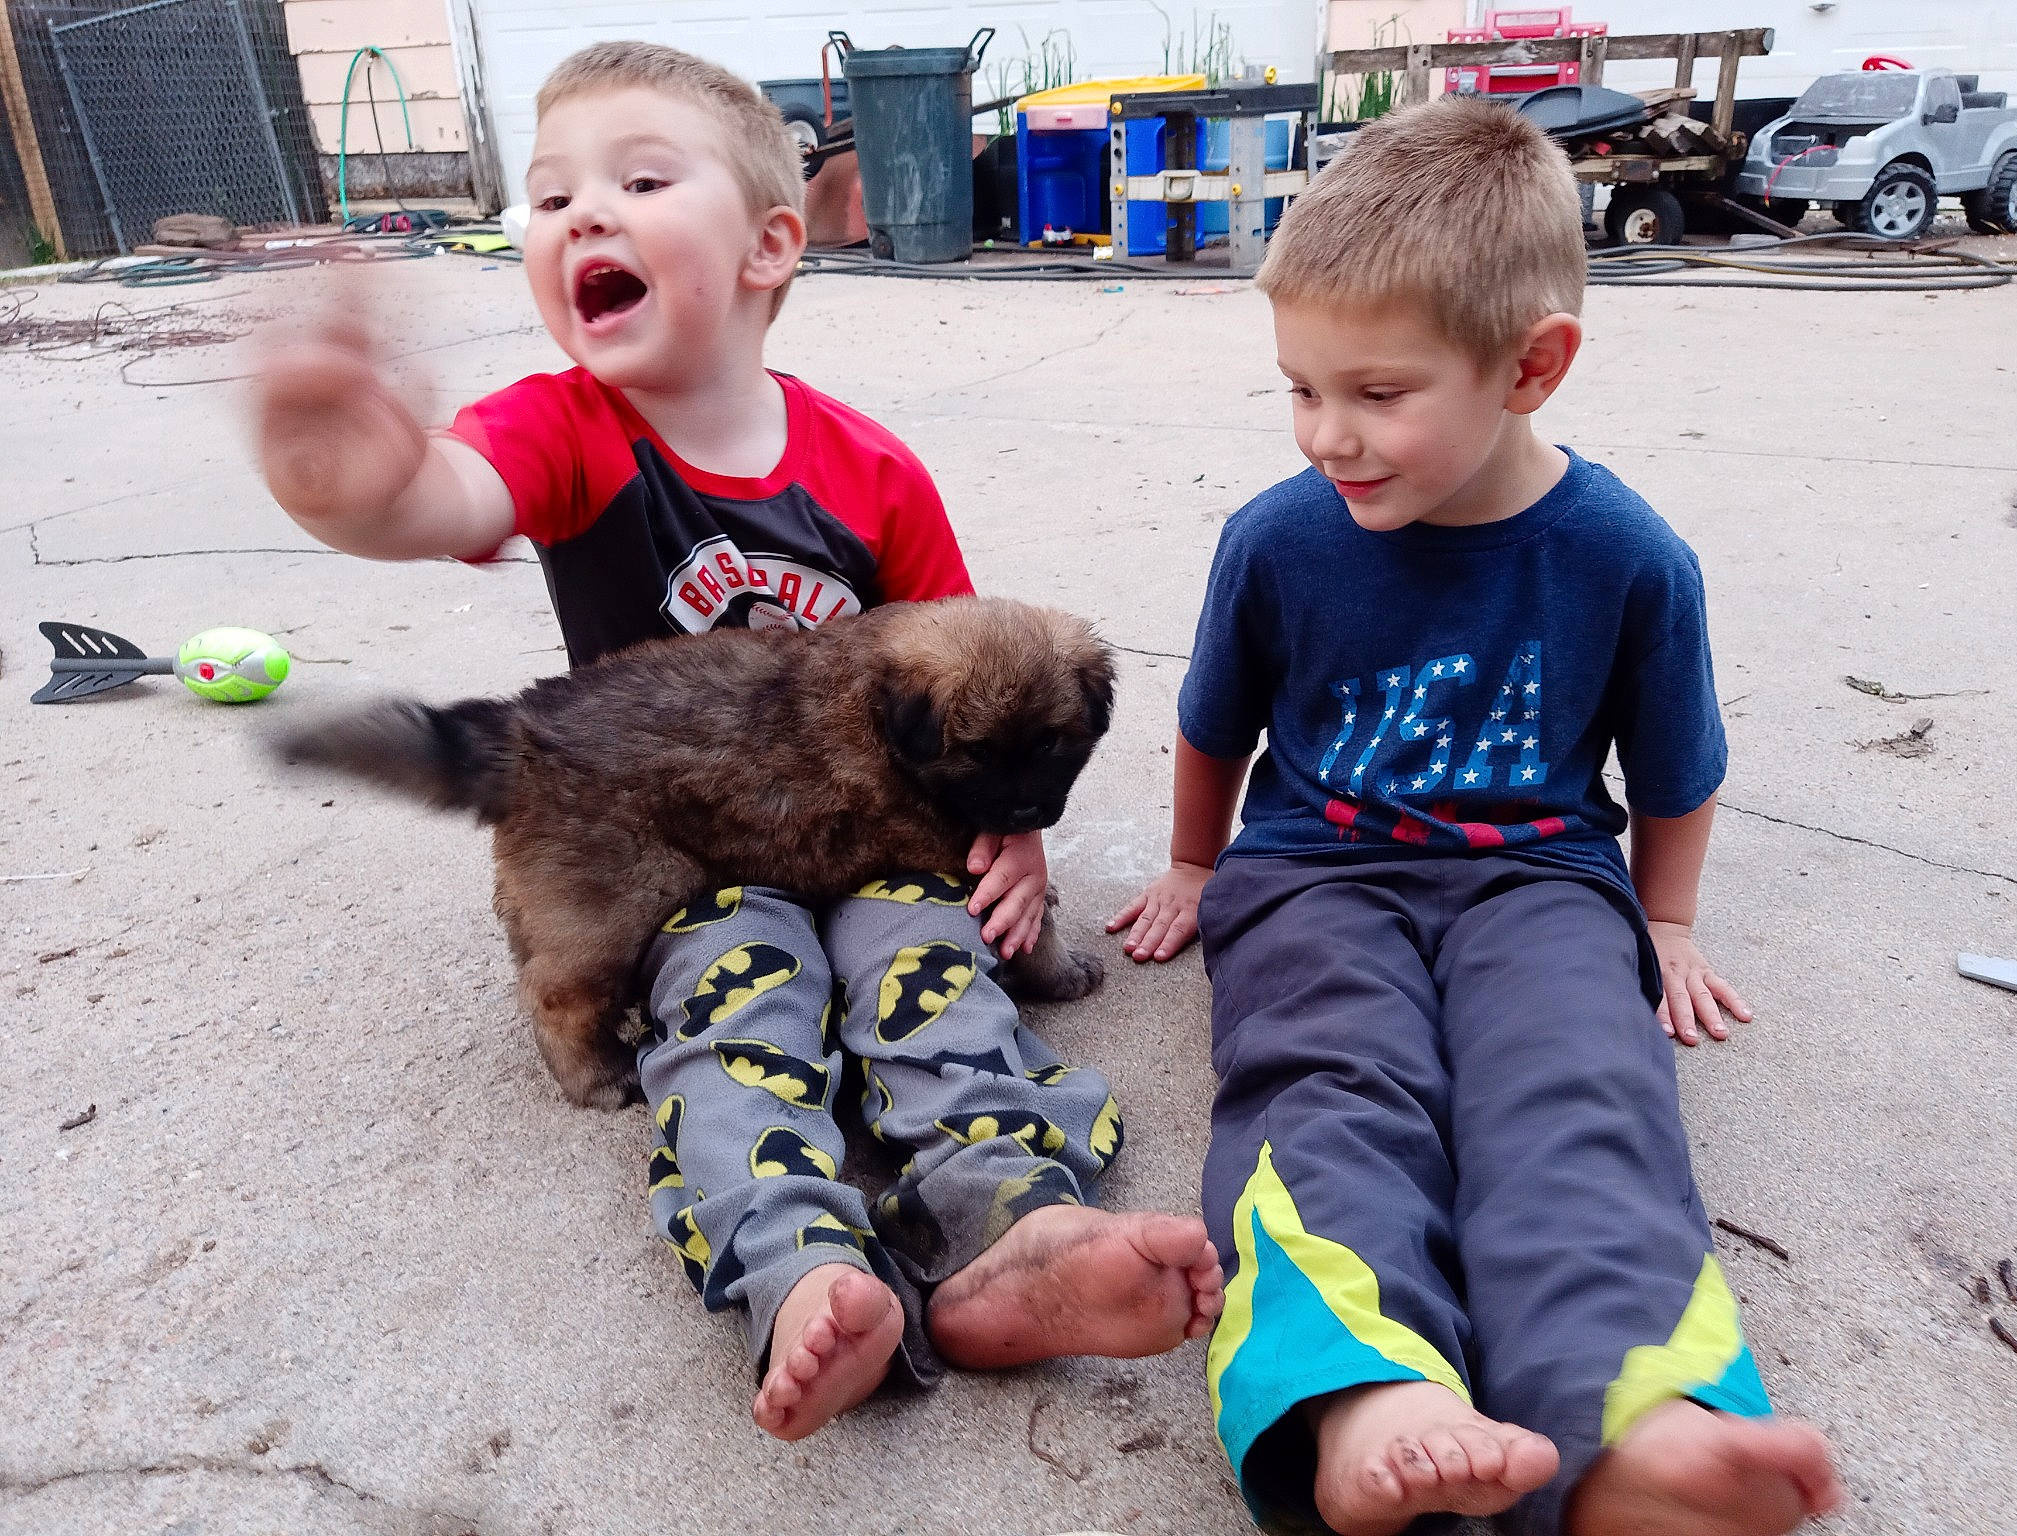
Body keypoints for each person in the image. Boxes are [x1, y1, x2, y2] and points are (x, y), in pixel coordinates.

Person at [255, 40, 1221, 1444]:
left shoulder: (871, 468)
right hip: (681, 843)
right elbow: (440, 500)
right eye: (549, 196)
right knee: (730, 1016)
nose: (583, 213)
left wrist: (1014, 836)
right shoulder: (564, 430)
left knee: (938, 975)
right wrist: (341, 468)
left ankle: (1017, 1223)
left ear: (774, 244)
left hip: (884, 841)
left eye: (640, 180)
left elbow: (985, 696)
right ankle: (805, 1270)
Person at [1108, 97, 1842, 1536]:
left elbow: (1676, 769)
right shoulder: (1278, 537)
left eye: (1376, 393)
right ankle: (1365, 1388)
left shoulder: (1629, 556)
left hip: (1544, 883)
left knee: (1580, 1095)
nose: (1330, 434)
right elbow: (1214, 724)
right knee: (1326, 1082)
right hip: (1313, 876)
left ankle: (1638, 1417)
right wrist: (1198, 864)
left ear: (1532, 366)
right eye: (1299, 390)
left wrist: (1669, 921)